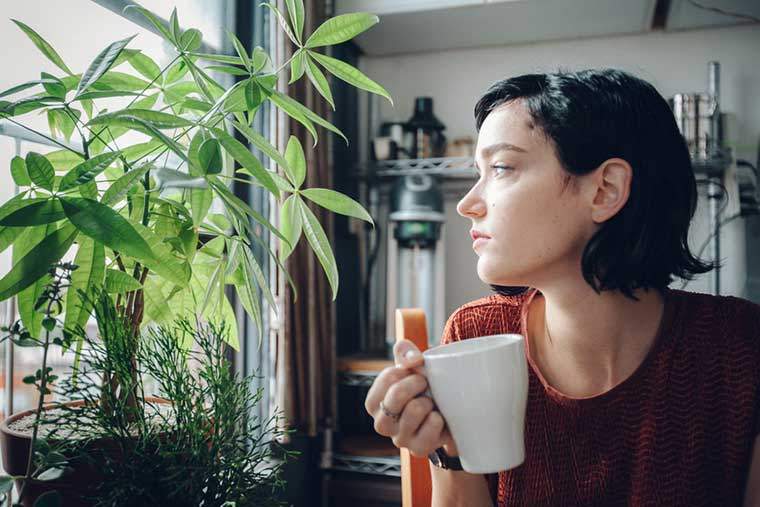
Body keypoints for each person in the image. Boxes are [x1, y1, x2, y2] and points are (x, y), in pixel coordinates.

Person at [364, 68, 760, 506]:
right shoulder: (475, 336)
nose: (467, 203)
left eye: (501, 167)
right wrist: (448, 450)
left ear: (605, 189)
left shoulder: (739, 347)